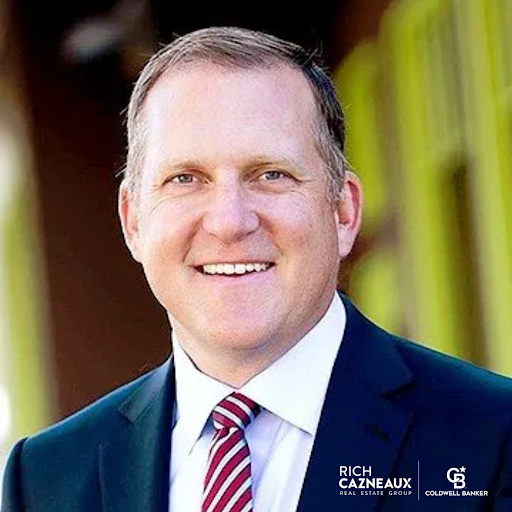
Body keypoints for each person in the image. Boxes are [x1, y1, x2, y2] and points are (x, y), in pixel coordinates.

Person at [2, 26, 512, 512]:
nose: (229, 222)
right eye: (185, 178)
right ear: (133, 221)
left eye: (271, 174)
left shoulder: (492, 436)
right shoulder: (45, 479)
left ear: (342, 212)